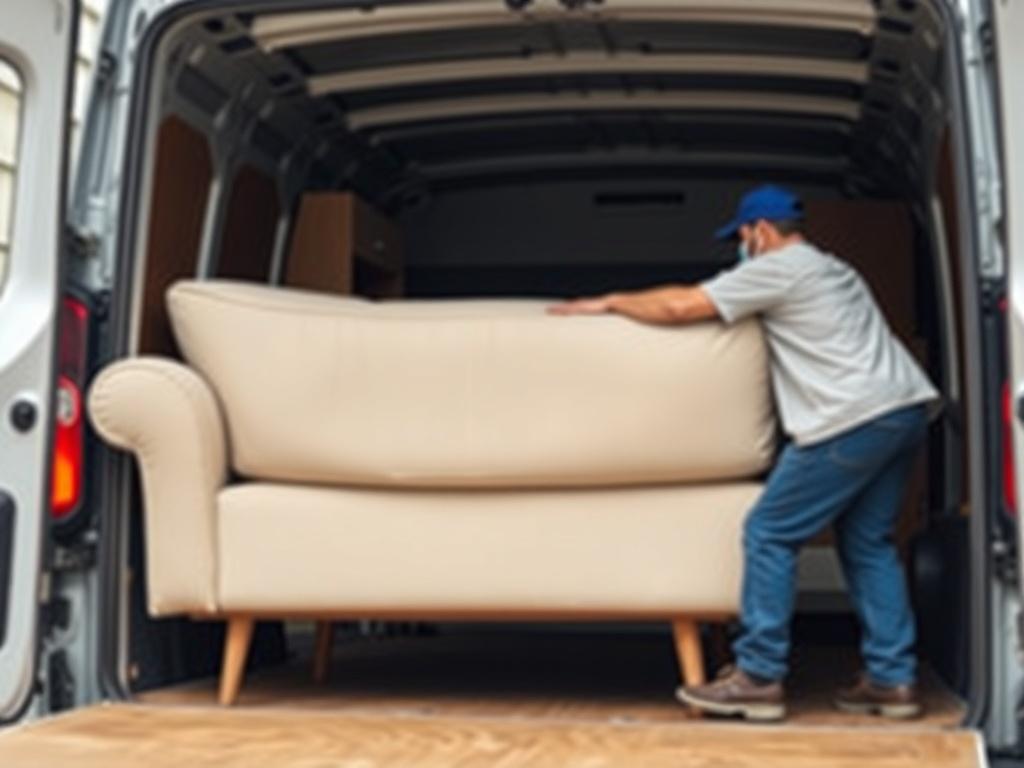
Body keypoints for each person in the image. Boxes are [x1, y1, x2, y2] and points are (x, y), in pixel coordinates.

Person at [547, 184, 940, 722]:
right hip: (903, 410)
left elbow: (681, 305)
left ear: (759, 231)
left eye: (741, 237)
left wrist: (611, 302)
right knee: (868, 543)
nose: (740, 247)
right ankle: (892, 680)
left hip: (850, 418)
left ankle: (758, 676)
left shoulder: (778, 268)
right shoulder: (834, 268)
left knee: (769, 531)